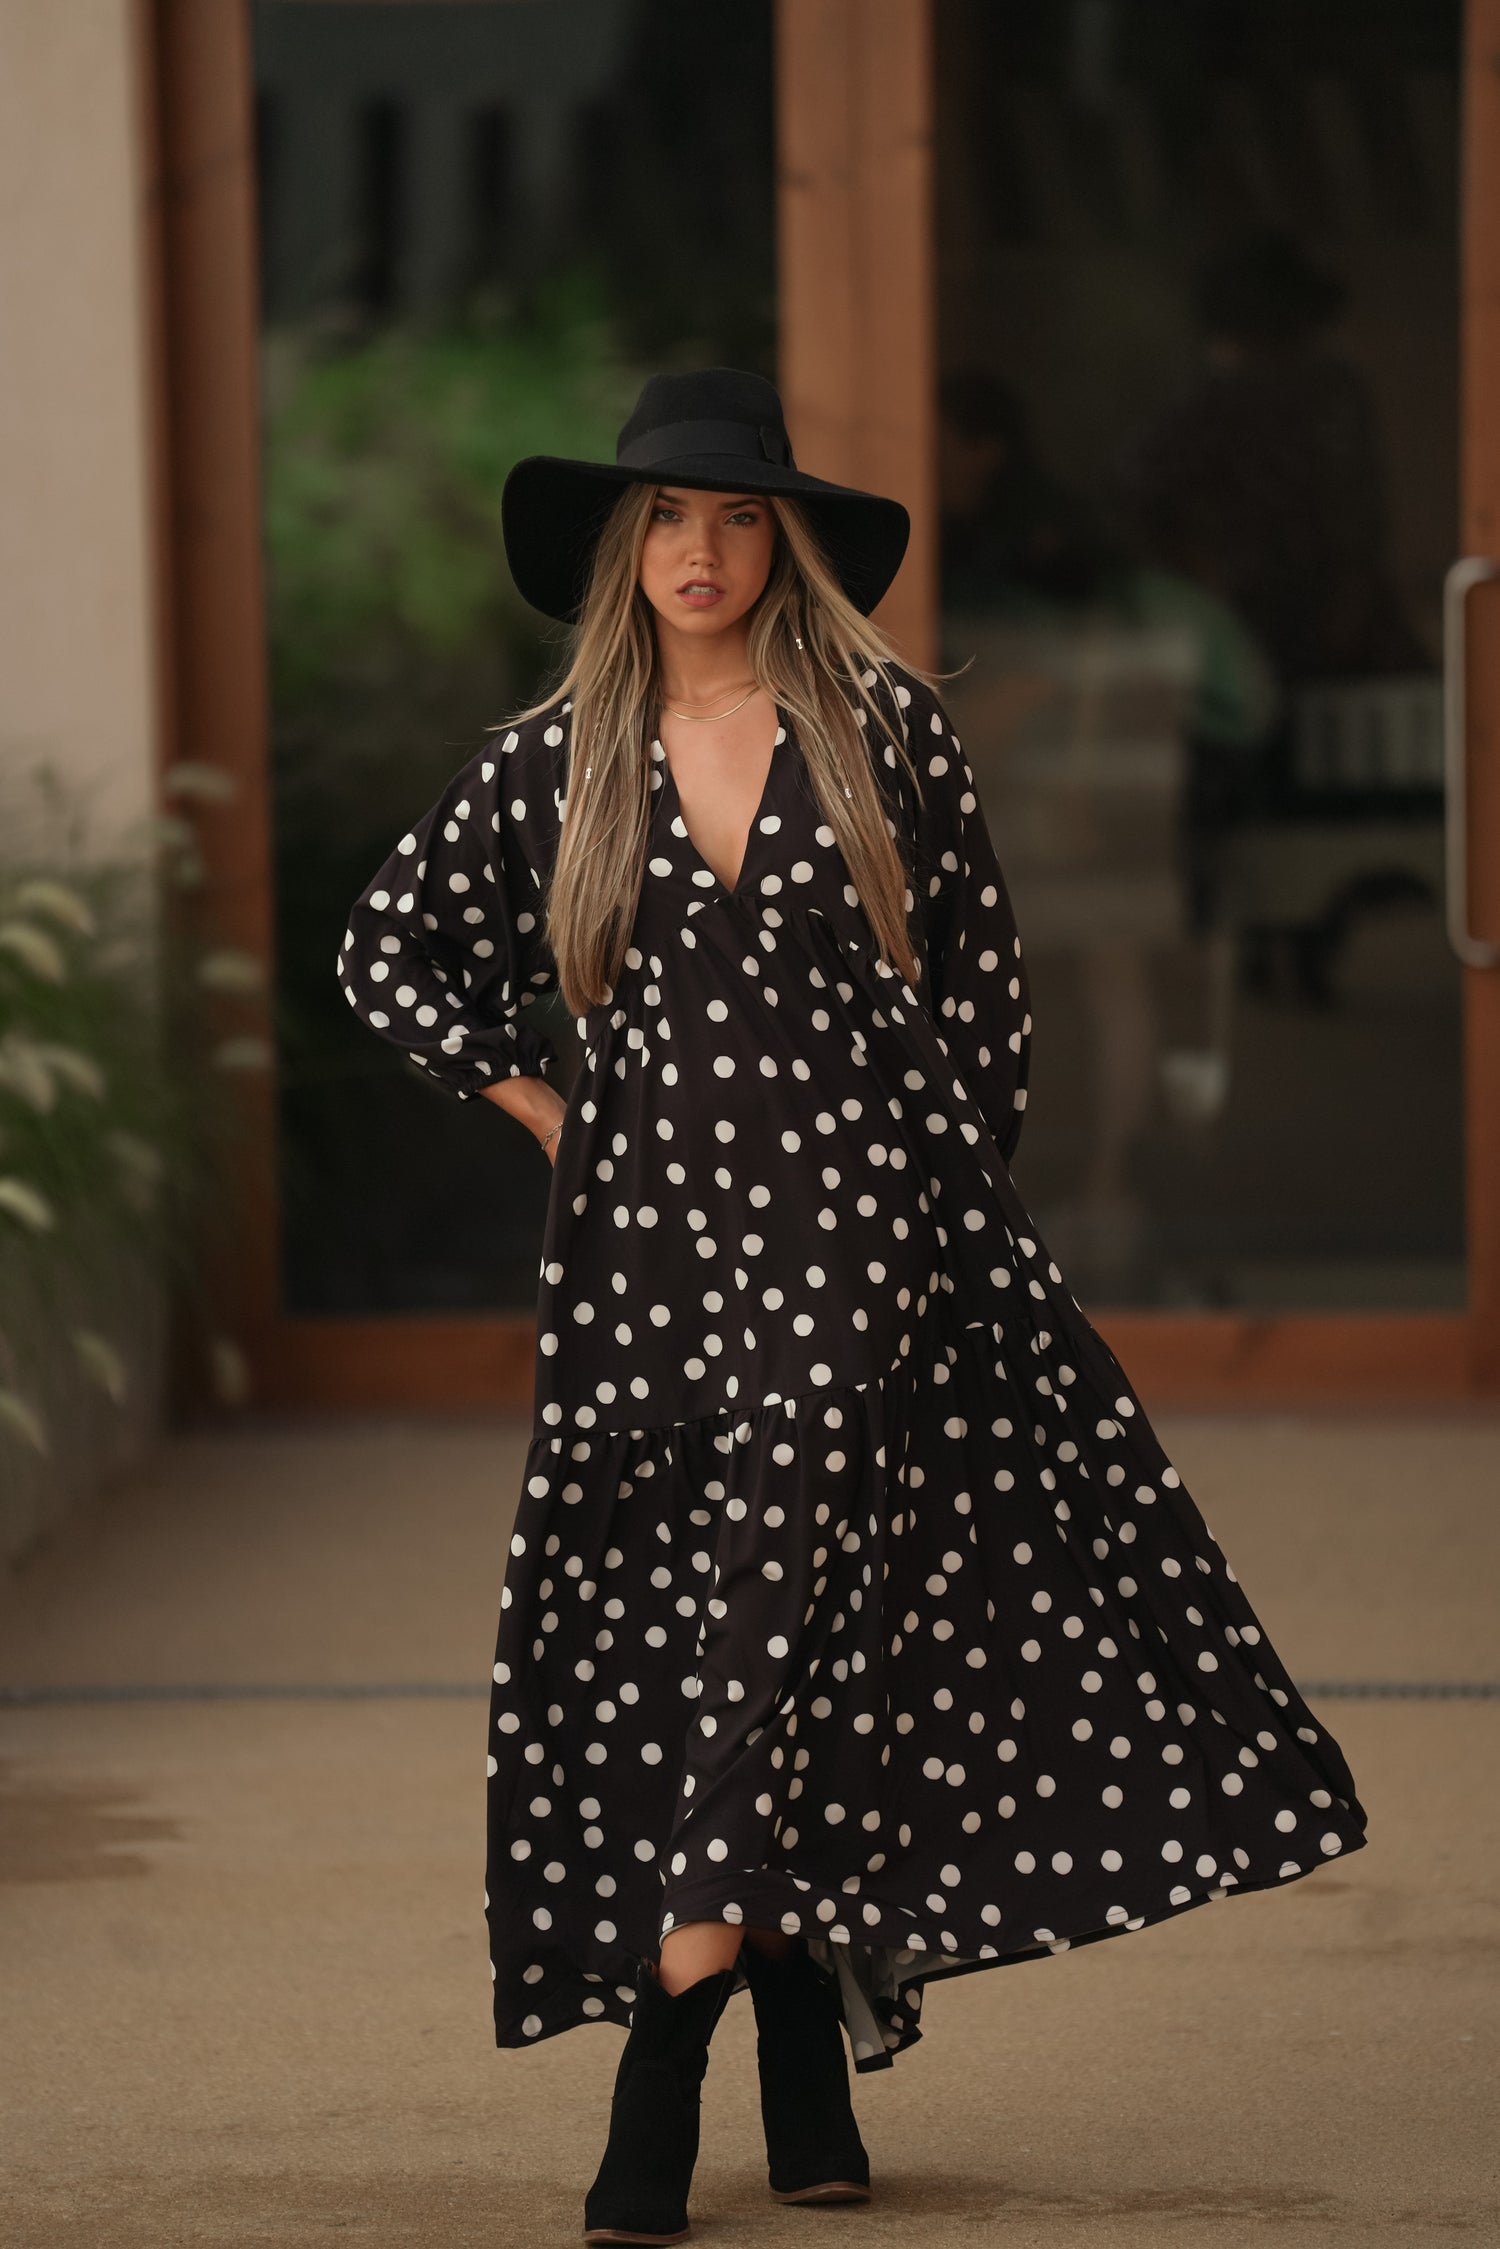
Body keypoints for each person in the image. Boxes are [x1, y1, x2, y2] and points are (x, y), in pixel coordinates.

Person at [338, 367, 1368, 2244]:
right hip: (646, 1274)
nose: (702, 551)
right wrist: (552, 1114)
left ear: (783, 544)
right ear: (622, 547)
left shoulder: (883, 732)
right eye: (668, 518)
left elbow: (985, 996)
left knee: (769, 1595)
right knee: (715, 1618)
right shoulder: (557, 760)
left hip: (853, 1243)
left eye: (738, 517)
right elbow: (387, 951)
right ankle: (801, 2028)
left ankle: (666, 2044)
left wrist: (926, 1213)